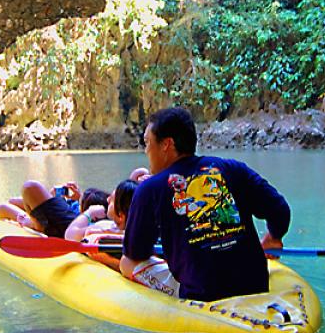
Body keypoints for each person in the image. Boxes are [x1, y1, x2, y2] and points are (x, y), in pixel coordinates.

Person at [120, 106, 289, 301]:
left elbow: (135, 253)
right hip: (254, 284)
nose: (146, 150)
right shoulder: (234, 169)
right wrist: (274, 237)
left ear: (167, 144)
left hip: (201, 295)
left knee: (127, 263)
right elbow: (280, 209)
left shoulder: (149, 189)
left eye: (148, 142)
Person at [0, 181, 108, 238]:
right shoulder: (79, 210)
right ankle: (34, 219)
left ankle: (34, 223)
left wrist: (31, 222)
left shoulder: (83, 222)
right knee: (11, 202)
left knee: (2, 207)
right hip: (67, 217)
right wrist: (77, 199)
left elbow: (72, 233)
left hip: (57, 226)